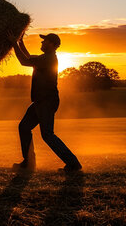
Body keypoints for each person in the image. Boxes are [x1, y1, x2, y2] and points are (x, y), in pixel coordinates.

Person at [10, 32, 82, 172]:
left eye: (45, 41)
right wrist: (20, 43)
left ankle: (73, 164)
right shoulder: (45, 58)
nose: (42, 43)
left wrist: (13, 43)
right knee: (24, 127)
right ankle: (28, 162)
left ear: (53, 45)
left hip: (46, 102)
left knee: (47, 134)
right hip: (40, 101)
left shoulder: (49, 59)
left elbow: (24, 61)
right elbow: (29, 58)